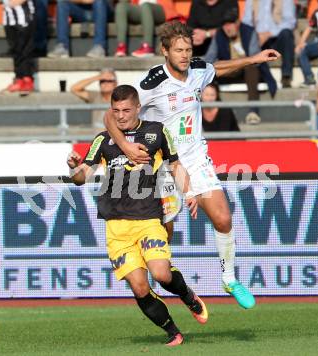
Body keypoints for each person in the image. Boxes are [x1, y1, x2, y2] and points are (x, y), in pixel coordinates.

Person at [104, 20, 281, 309]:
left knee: (223, 218)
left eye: (188, 49)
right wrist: (125, 145)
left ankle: (229, 279)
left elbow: (217, 68)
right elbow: (111, 116)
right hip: (163, 167)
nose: (185, 55)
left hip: (197, 159)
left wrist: (254, 59)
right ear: (165, 51)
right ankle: (163, 283)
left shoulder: (197, 69)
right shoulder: (151, 82)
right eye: (178, 50)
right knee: (163, 237)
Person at [67, 84, 206, 347]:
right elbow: (81, 176)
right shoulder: (103, 140)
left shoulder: (155, 131)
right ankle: (173, 332)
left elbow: (175, 164)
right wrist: (73, 167)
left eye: (126, 110)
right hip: (116, 226)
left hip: (148, 218)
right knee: (140, 287)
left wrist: (189, 192)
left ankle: (187, 295)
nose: (121, 116)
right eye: (116, 111)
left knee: (162, 274)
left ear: (138, 107)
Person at [204, 8, 277, 125]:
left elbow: (255, 57)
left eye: (230, 24)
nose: (227, 28)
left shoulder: (249, 31)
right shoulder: (219, 34)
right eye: (225, 25)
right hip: (229, 69)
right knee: (209, 69)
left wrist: (243, 61)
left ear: (237, 23)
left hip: (248, 70)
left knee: (251, 67)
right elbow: (209, 57)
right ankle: (208, 111)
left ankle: (253, 111)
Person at [242, 0, 296, 88]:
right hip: (258, 37)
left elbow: (290, 22)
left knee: (286, 33)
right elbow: (246, 21)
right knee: (247, 34)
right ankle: (256, 75)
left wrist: (269, 33)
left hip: (277, 38)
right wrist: (256, 35)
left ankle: (286, 75)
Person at [47, 0, 113, 58]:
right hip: (81, 12)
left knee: (99, 2)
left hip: (102, 10)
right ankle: (62, 47)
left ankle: (100, 46)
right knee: (62, 3)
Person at [114, 0, 180, 58]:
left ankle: (148, 46)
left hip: (161, 9)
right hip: (139, 8)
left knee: (145, 6)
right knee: (121, 6)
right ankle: (121, 46)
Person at [2, 0, 36, 94]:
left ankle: (27, 80)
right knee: (15, 50)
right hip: (9, 16)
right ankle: (19, 79)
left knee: (25, 49)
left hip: (23, 16)